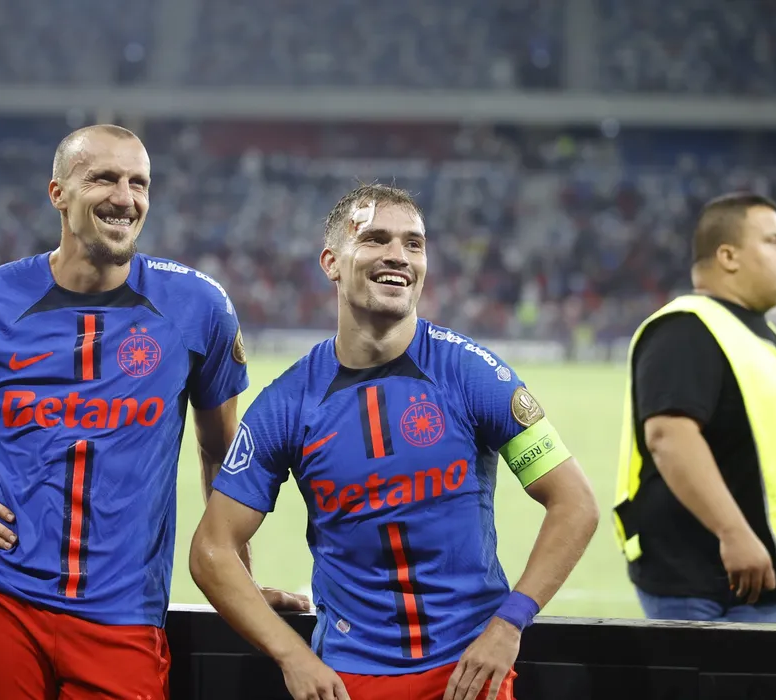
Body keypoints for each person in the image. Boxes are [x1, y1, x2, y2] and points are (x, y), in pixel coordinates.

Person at [0, 123, 308, 700]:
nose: (125, 197)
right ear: (58, 193)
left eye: (139, 182)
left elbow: (220, 451)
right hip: (1, 605)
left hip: (125, 616)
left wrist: (241, 583)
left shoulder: (198, 307)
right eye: (103, 178)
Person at [189, 184, 600, 700]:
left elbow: (575, 503)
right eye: (376, 239)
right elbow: (211, 549)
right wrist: (291, 654)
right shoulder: (288, 403)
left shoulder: (473, 374)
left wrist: (509, 623)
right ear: (331, 263)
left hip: (468, 675)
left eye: (414, 244)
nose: (398, 256)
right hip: (348, 680)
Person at [613, 192, 776, 625]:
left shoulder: (766, 340)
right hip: (704, 584)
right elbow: (669, 437)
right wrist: (733, 532)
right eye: (773, 241)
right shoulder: (685, 328)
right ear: (728, 256)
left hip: (770, 582)